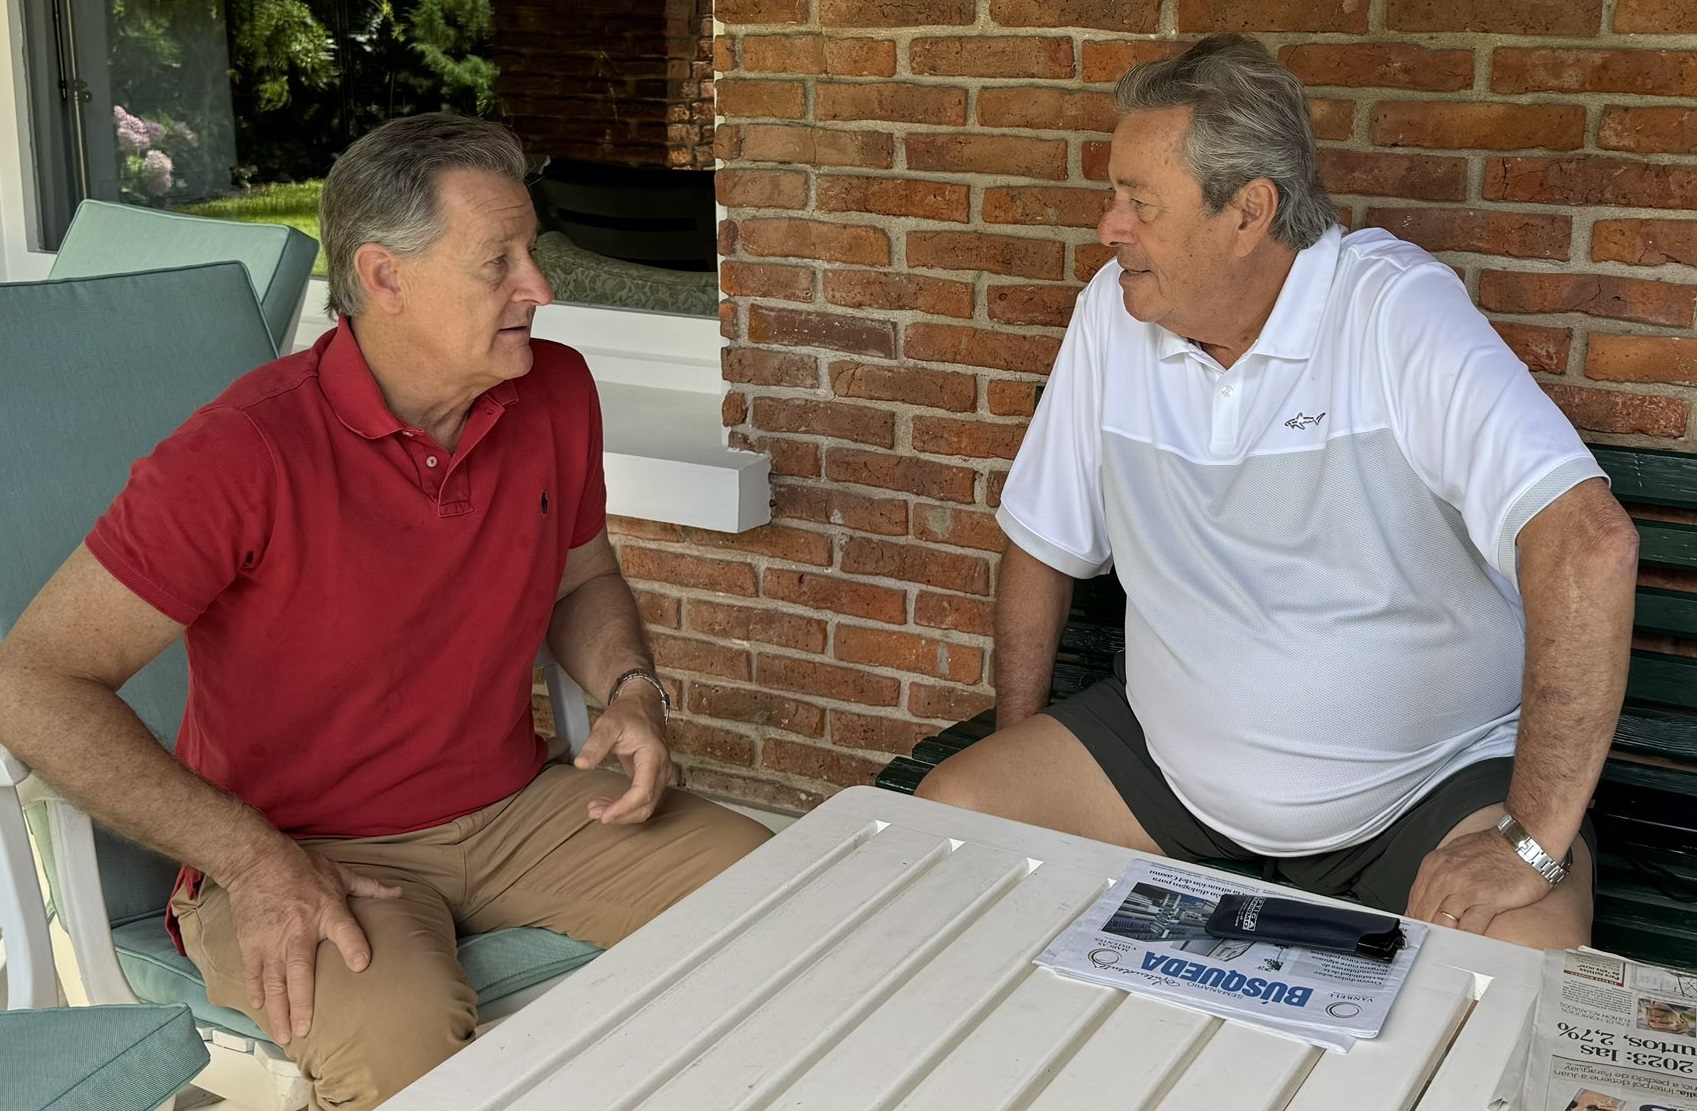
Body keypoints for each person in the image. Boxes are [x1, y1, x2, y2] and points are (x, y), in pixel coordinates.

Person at [0, 113, 769, 1109]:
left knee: (782, 901)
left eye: (531, 251)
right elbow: (30, 680)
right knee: (405, 1043)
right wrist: (251, 859)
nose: (539, 286)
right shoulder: (243, 453)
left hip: (516, 808)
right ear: (384, 276)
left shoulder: (554, 392)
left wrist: (629, 686)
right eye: (499, 261)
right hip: (300, 847)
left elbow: (582, 579)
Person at [916, 35, 1638, 951]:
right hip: (1168, 772)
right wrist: (1014, 741)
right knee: (953, 824)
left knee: (1524, 969)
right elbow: (1040, 541)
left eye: (1139, 202)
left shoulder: (1392, 310)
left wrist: (1531, 845)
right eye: (1115, 198)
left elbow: (1588, 545)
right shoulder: (1113, 311)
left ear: (1248, 211)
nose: (1109, 227)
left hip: (1420, 794)